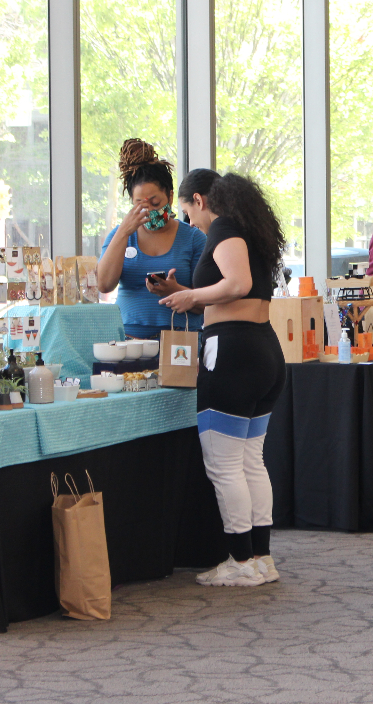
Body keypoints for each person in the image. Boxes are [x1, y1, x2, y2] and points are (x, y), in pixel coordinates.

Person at [160, 173, 287, 587]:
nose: (190, 222)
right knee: (251, 460)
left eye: (187, 212)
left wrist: (192, 295)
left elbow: (238, 284)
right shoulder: (249, 231)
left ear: (199, 200)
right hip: (261, 352)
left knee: (225, 465)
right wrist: (184, 289)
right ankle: (260, 558)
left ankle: (239, 560)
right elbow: (235, 292)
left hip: (233, 356)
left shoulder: (224, 229)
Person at [98, 139, 207, 339]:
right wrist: (123, 232)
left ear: (171, 197)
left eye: (156, 203)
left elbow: (208, 303)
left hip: (180, 340)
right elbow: (104, 284)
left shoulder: (194, 239)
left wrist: (176, 291)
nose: (149, 211)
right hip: (128, 338)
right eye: (140, 204)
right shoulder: (120, 236)